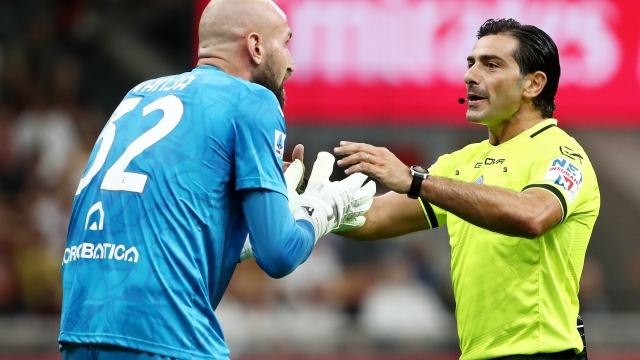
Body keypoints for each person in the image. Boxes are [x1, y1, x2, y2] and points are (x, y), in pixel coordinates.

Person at [58, 0, 374, 359]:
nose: (291, 62)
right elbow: (279, 255)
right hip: (165, 333)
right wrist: (323, 210)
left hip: (82, 325)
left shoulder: (138, 94)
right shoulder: (253, 101)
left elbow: (158, 217)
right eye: (284, 43)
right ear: (255, 47)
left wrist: (240, 227)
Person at [335, 18, 599, 360]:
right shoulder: (459, 163)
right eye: (471, 63)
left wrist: (417, 180)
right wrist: (300, 199)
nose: (470, 76)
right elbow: (373, 219)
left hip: (541, 353)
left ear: (533, 84)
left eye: (491, 65)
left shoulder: (562, 153)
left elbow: (533, 215)